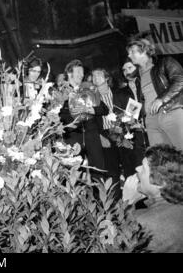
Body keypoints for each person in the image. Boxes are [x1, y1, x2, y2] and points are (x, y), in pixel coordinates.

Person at [123, 144, 183, 252]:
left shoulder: (141, 222)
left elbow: (116, 246)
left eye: (143, 168)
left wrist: (127, 204)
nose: (137, 168)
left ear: (160, 183)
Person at [127, 38, 183, 150]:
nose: (129, 55)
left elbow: (180, 80)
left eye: (132, 51)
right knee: (160, 159)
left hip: (170, 111)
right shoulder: (137, 76)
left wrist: (161, 99)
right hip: (151, 121)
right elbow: (139, 99)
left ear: (144, 50)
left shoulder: (165, 62)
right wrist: (131, 116)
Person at [59, 60, 108, 173]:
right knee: (75, 174)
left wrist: (93, 110)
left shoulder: (89, 88)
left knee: (98, 170)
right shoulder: (61, 92)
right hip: (72, 137)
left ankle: (101, 190)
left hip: (92, 135)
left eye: (82, 72)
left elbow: (104, 109)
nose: (82, 75)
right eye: (78, 72)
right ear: (69, 74)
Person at [92, 68, 122, 199]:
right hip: (105, 135)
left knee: (128, 165)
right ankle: (115, 202)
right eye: (93, 76)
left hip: (121, 132)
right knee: (112, 170)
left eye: (98, 75)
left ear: (106, 78)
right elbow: (90, 120)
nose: (95, 78)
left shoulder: (118, 93)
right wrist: (100, 137)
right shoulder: (91, 97)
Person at [116, 60, 148, 177]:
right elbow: (119, 116)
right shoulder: (120, 93)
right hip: (135, 136)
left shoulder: (146, 84)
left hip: (152, 129)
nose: (126, 72)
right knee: (140, 169)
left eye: (129, 68)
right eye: (124, 70)